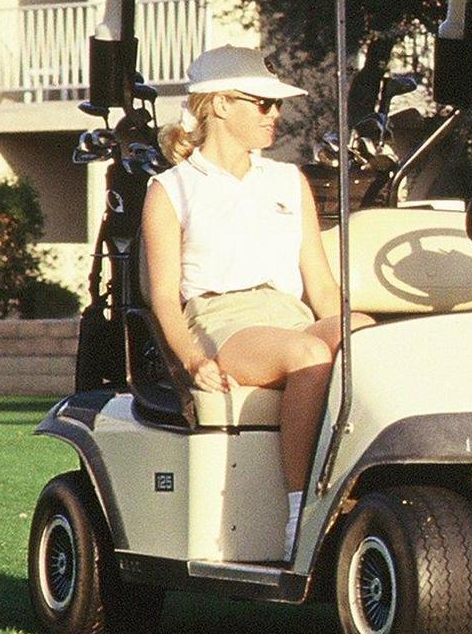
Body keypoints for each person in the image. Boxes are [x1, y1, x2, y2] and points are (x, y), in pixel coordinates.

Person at [142, 44, 370, 560]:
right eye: (262, 104)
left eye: (275, 105)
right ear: (220, 104)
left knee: (368, 334)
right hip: (224, 324)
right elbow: (163, 298)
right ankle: (300, 513)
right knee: (308, 356)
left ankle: (368, 487)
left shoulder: (286, 180)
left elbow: (320, 283)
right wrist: (194, 361)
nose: (275, 114)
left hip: (289, 317)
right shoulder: (172, 189)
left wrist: (353, 328)